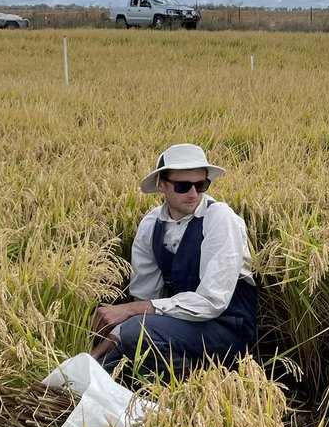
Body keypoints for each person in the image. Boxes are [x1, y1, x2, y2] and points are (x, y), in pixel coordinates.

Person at [91, 143, 257, 378]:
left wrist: (131, 313)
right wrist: (104, 348)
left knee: (136, 333)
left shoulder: (220, 218)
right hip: (179, 327)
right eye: (182, 186)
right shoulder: (150, 225)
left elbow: (212, 301)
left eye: (201, 185)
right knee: (106, 362)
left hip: (226, 329)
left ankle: (193, 390)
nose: (193, 194)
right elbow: (146, 298)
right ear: (162, 185)